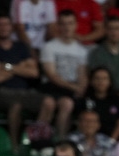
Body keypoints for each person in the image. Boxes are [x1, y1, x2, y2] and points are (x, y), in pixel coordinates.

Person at [0, 12, 54, 152]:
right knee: (16, 105)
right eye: (0, 24)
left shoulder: (21, 47)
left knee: (49, 102)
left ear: (12, 27)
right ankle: (14, 146)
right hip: (3, 92)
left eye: (6, 24)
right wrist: (21, 66)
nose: (3, 27)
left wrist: (6, 67)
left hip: (25, 91)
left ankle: (36, 141)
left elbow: (34, 72)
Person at [39, 9, 88, 140]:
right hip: (52, 86)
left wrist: (82, 88)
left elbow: (82, 74)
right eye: (63, 24)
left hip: (71, 88)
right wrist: (74, 88)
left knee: (67, 104)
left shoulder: (81, 50)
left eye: (70, 23)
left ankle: (60, 141)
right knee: (49, 103)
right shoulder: (49, 47)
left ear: (76, 25)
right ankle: (39, 141)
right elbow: (51, 74)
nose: (67, 27)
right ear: (58, 26)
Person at [75, 66, 119, 140]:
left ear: (110, 81)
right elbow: (80, 123)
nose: (101, 81)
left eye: (104, 78)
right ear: (91, 81)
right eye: (97, 78)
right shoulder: (85, 99)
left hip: (110, 140)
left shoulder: (116, 100)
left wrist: (111, 141)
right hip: (87, 140)